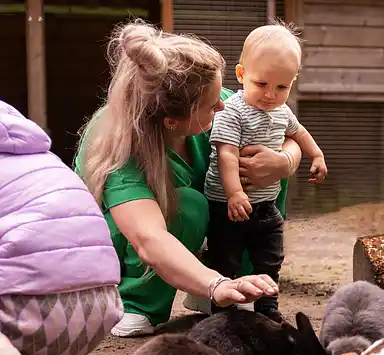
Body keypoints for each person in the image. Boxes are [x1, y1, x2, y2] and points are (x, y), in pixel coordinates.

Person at [75, 20, 302, 338]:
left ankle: (222, 274)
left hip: (216, 221)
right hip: (120, 246)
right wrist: (216, 285)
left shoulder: (208, 98)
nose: (223, 104)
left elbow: (282, 128)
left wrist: (285, 162)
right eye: (212, 106)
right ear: (171, 121)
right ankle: (139, 301)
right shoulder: (118, 144)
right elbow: (148, 238)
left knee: (259, 163)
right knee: (188, 206)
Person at [203, 23, 327, 320]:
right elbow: (227, 154)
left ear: (292, 83)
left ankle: (267, 307)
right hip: (227, 204)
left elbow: (299, 133)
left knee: (270, 256)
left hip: (266, 203)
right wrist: (234, 193)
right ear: (242, 74)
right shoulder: (232, 111)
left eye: (282, 87)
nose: (271, 94)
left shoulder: (282, 111)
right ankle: (222, 308)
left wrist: (317, 154)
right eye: (262, 84)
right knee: (226, 256)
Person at [0, 100, 123, 355]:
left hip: (23, 314)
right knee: (43, 260)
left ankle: (2, 349)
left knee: (27, 267)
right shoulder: (44, 160)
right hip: (100, 311)